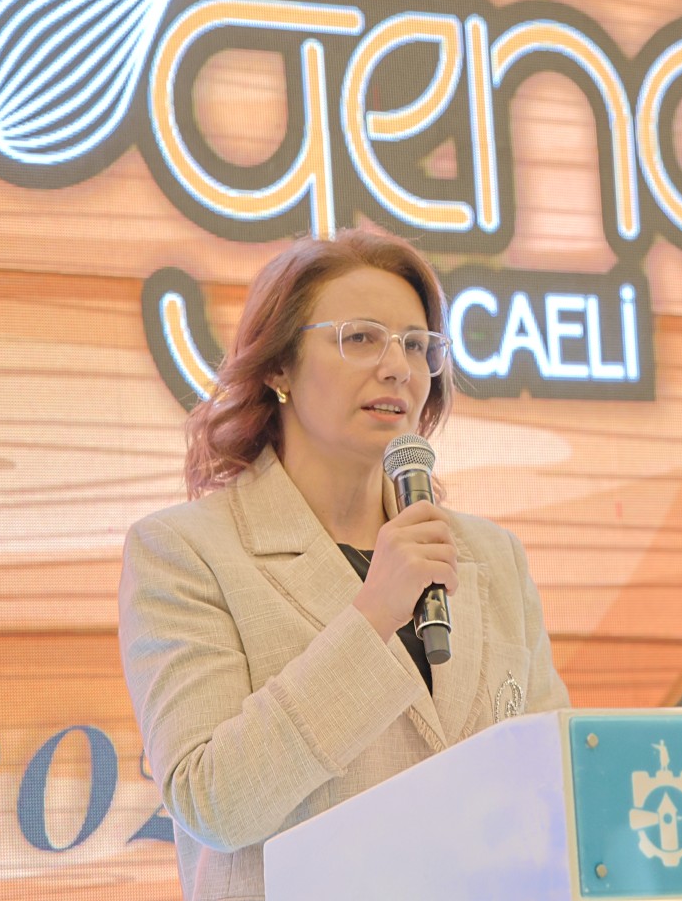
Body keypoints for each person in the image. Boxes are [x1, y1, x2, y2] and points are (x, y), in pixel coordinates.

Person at [118, 228, 570, 901]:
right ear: (278, 368)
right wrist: (373, 613)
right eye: (361, 338)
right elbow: (215, 803)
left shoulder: (490, 557)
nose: (397, 367)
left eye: (415, 345)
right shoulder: (185, 553)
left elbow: (557, 781)